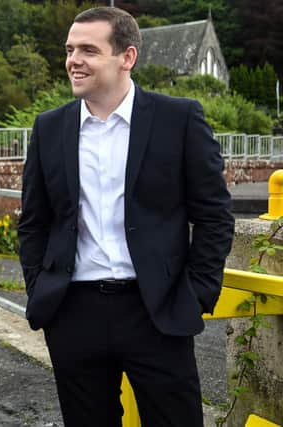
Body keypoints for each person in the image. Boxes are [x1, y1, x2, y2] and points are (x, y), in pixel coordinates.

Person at [18, 7, 234, 426]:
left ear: (127, 57)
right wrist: (39, 287)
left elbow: (214, 215)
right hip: (73, 313)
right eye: (69, 49)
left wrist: (197, 294)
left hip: (157, 311)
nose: (73, 60)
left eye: (88, 50)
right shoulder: (49, 127)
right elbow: (35, 221)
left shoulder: (179, 118)